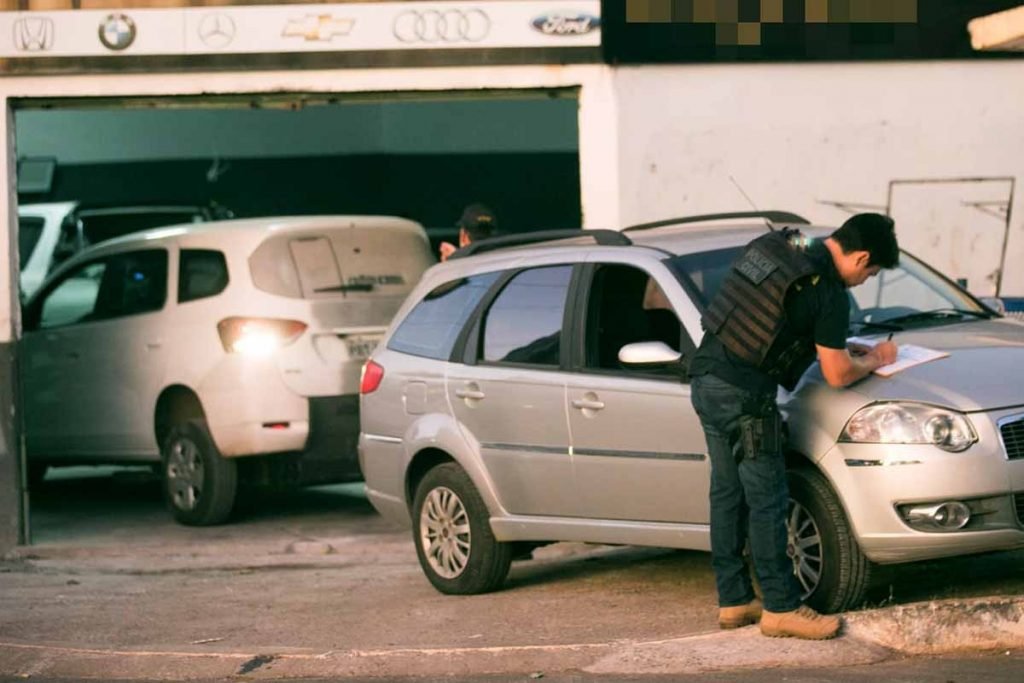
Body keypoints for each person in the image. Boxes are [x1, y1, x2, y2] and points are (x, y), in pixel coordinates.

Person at [689, 213, 900, 640]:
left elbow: (782, 313)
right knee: (768, 499)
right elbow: (838, 374)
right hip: (747, 397)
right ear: (861, 257)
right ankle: (782, 608)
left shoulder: (787, 245)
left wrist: (839, 343)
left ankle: (733, 600)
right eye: (871, 271)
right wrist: (876, 358)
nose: (865, 280)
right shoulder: (831, 294)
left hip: (706, 380)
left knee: (727, 494)